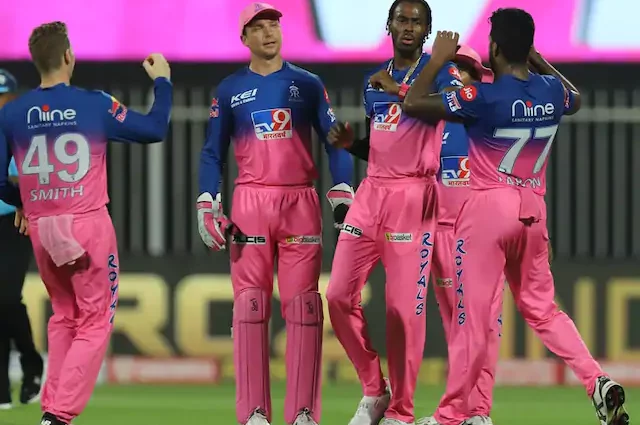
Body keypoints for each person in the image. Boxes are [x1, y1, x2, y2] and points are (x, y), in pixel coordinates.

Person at [390, 8, 629, 425]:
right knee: (545, 311)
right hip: (533, 211)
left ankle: (450, 416)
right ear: (528, 48)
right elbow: (577, 98)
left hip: (487, 209)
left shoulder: (481, 98)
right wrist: (537, 59)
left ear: (495, 48)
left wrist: (437, 58)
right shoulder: (552, 91)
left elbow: (412, 103)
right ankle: (596, 380)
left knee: (472, 319)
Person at [0, 22, 173, 425]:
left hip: (42, 229)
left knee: (64, 315)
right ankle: (59, 415)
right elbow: (154, 129)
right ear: (68, 56)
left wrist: (24, 203)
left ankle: (51, 408)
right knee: (95, 320)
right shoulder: (93, 104)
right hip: (86, 225)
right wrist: (163, 82)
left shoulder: (11, 114)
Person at [196, 3, 354, 425]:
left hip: (300, 201)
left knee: (305, 309)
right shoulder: (230, 90)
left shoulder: (307, 84)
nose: (269, 33)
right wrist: (207, 202)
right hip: (250, 203)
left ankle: (303, 413)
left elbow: (335, 139)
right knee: (249, 307)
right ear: (244, 38)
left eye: (274, 25)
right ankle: (253, 413)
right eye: (259, 27)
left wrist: (342, 189)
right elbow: (212, 152)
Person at [323, 0, 464, 424]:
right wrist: (352, 145)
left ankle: (401, 412)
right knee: (337, 295)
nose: (408, 26)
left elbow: (451, 107)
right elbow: (384, 143)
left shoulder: (442, 72)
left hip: (413, 197)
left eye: (417, 22)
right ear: (389, 24)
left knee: (403, 312)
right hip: (371, 194)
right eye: (402, 19)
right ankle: (374, 388)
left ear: (427, 31)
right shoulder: (373, 81)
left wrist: (399, 88)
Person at [0, 69, 44, 411]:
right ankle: (2, 389)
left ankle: (31, 363)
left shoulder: (20, 132)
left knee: (5, 298)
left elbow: (27, 177)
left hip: (13, 221)